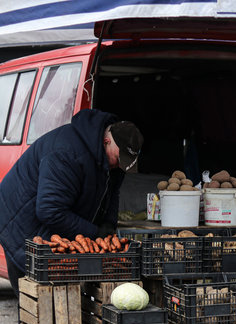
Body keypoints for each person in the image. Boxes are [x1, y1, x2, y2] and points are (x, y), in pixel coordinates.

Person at [0, 109, 143, 298]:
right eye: (119, 159)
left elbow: (112, 192)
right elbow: (50, 210)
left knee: (61, 294)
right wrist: (94, 233)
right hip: (20, 224)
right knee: (37, 300)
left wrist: (108, 223)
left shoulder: (109, 160)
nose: (119, 165)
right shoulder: (66, 153)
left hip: (48, 221)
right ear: (106, 142)